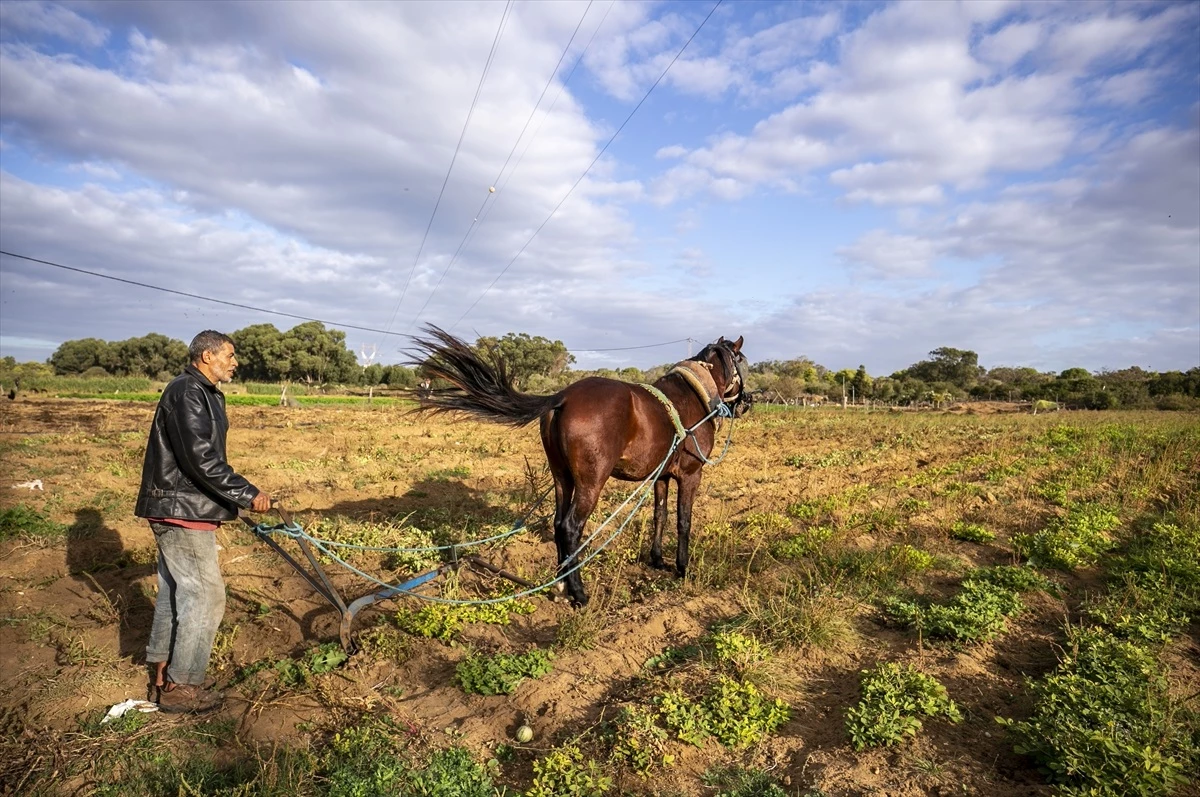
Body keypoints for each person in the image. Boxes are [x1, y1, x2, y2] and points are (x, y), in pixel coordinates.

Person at [134, 330, 271, 713]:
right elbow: (201, 460)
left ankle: (161, 671)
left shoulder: (200, 392)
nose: (235, 361)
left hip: (180, 506)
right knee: (206, 596)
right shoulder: (188, 392)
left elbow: (202, 459)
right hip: (182, 512)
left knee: (175, 592)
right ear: (207, 356)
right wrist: (248, 494)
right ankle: (182, 688)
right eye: (229, 354)